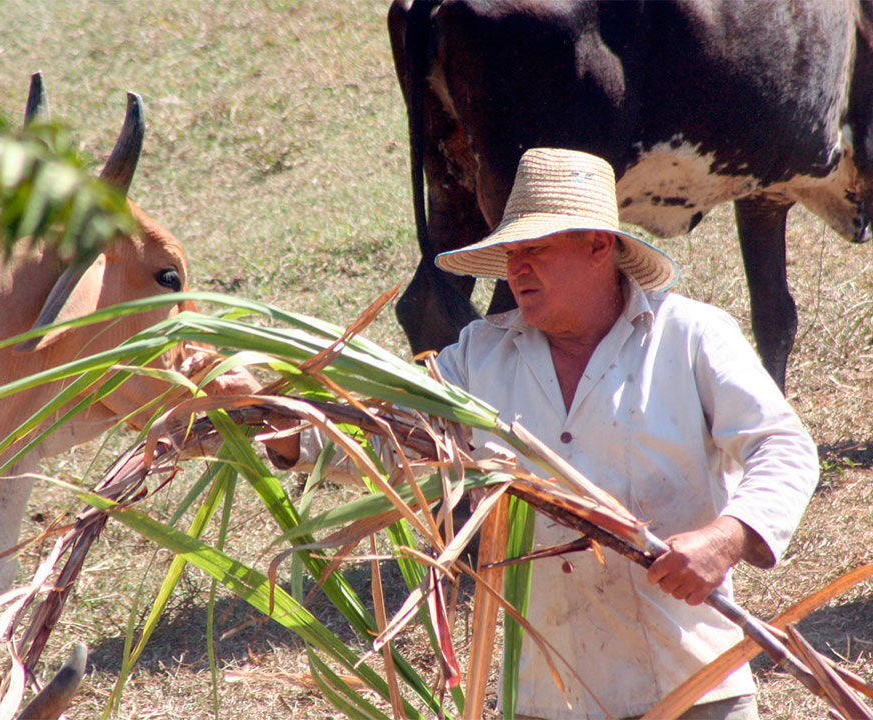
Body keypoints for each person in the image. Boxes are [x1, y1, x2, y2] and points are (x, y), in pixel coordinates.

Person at [265, 147, 819, 720]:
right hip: (546, 695)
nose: (516, 269)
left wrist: (726, 537)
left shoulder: (690, 336)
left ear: (598, 245)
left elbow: (782, 447)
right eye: (510, 254)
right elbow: (386, 438)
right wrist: (282, 430)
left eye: (535, 249)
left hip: (693, 683)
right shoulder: (478, 360)